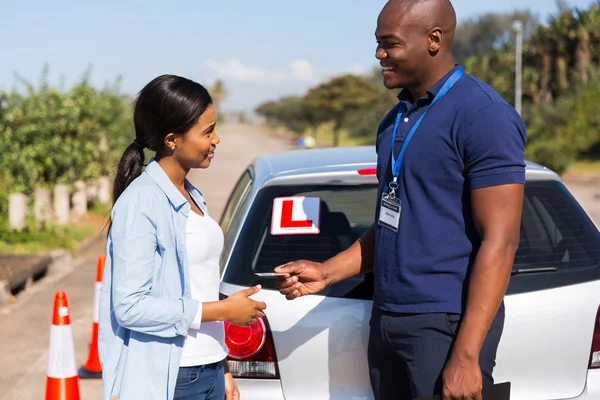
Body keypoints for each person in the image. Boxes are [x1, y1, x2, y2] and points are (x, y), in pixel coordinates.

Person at [274, 1, 526, 399]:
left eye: (389, 44)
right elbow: (395, 222)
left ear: (434, 40)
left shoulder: (483, 115)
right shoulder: (394, 121)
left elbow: (501, 240)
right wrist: (326, 273)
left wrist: (465, 355)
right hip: (387, 318)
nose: (379, 55)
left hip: (445, 323)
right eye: (378, 44)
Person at [98, 74, 267, 400]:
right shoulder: (142, 201)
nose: (216, 139)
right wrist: (222, 311)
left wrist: (223, 365)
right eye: (207, 132)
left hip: (209, 367)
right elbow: (130, 307)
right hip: (172, 377)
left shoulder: (192, 195)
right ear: (173, 139)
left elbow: (198, 285)